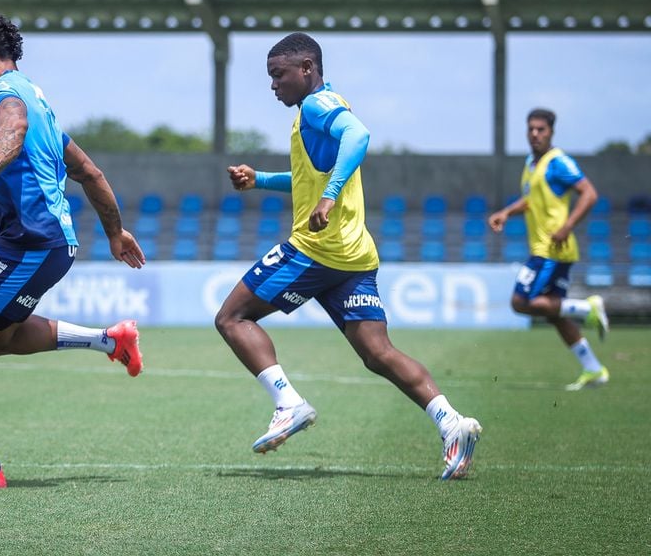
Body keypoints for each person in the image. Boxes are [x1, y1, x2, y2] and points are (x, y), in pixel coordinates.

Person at [215, 33, 481, 480]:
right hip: (353, 255)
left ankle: (288, 403)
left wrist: (330, 199)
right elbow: (308, 179)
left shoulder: (318, 106)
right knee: (377, 353)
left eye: (279, 75)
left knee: (232, 318)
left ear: (307, 68)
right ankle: (452, 423)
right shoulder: (317, 110)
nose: (273, 85)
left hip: (316, 249)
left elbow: (360, 136)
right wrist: (259, 179)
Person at [0, 11, 147, 491]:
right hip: (48, 242)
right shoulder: (39, 100)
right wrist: (115, 231)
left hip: (29, 241)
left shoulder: (3, 95)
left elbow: (13, 127)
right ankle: (110, 340)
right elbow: (89, 172)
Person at [487, 109, 607, 390]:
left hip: (551, 250)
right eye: (531, 129)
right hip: (548, 250)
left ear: (551, 132)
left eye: (541, 129)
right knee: (555, 315)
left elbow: (589, 194)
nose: (535, 134)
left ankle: (587, 307)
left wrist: (567, 226)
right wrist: (506, 212)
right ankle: (594, 369)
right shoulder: (532, 163)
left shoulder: (559, 163)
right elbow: (530, 200)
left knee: (520, 302)